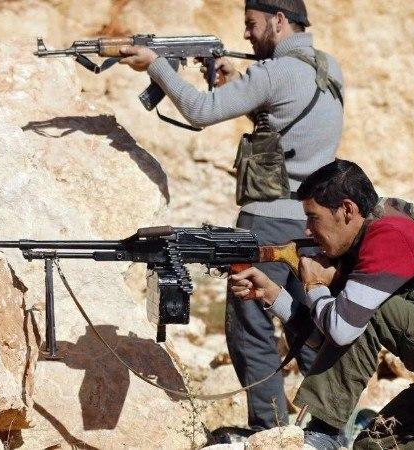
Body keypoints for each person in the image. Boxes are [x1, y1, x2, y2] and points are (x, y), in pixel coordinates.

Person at [120, 0, 345, 431]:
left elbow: (200, 110)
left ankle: (270, 431)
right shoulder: (329, 68)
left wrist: (156, 66)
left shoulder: (273, 72)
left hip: (266, 222)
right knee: (308, 326)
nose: (246, 34)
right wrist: (240, 85)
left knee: (250, 328)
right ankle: (327, 432)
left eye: (251, 24)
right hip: (315, 224)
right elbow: (288, 121)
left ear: (279, 20)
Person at [231, 160, 414, 449]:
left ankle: (324, 431)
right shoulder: (367, 239)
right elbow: (328, 340)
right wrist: (273, 295)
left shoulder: (388, 236)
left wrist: (315, 285)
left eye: (313, 217)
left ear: (347, 210)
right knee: (376, 443)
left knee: (364, 312)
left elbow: (342, 330)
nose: (307, 230)